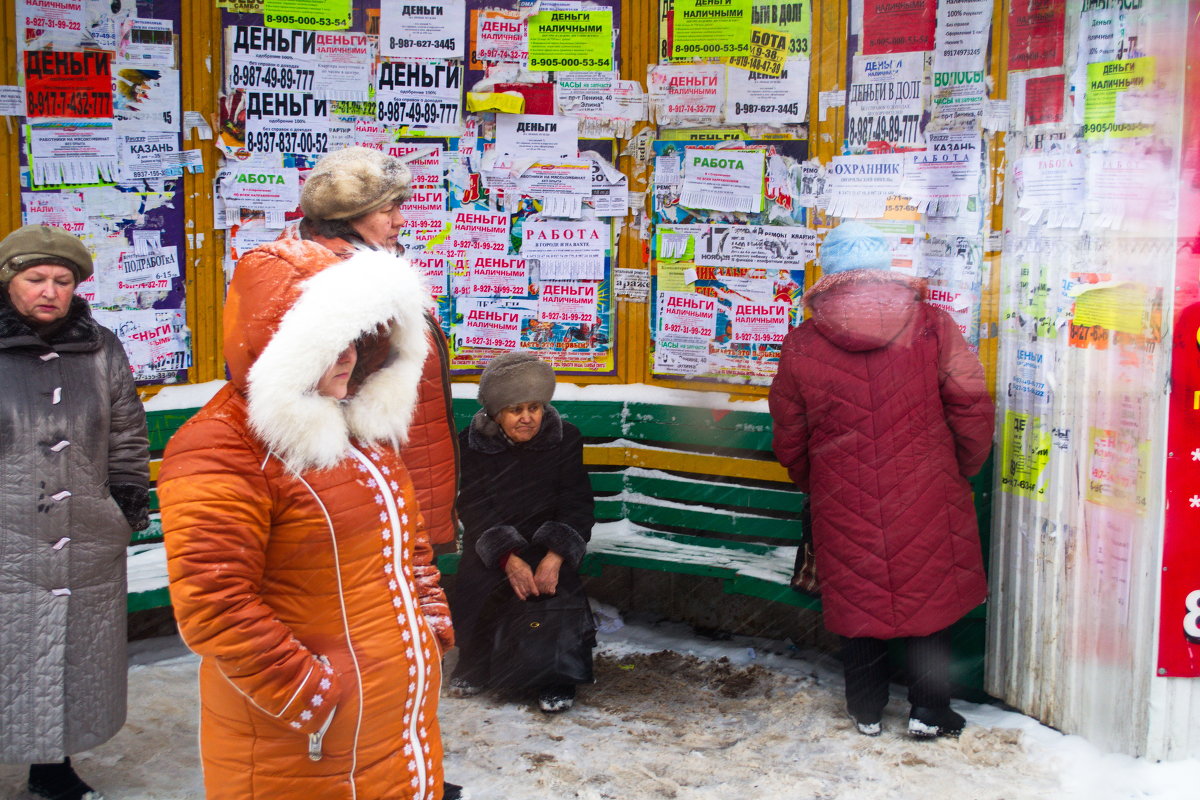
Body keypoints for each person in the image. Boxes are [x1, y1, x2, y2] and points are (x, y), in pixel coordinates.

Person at [159, 245, 455, 799]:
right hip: (302, 740)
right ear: (278, 349)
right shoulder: (221, 446)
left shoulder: (357, 428)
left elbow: (409, 549)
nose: (346, 357)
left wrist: (430, 632)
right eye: (324, 343)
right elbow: (214, 602)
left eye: (355, 339)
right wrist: (315, 698)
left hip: (392, 718)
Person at [768, 221, 994, 740]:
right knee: (929, 599)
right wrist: (963, 465)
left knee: (858, 598)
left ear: (829, 273)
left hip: (842, 491)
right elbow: (970, 404)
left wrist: (814, 478)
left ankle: (866, 709)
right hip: (927, 487)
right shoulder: (933, 325)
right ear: (886, 266)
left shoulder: (803, 341)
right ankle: (929, 711)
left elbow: (790, 431)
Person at [0, 224, 151, 800]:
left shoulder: (101, 347)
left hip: (82, 533)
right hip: (7, 530)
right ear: (9, 281)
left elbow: (126, 432)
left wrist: (124, 502)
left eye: (63, 280)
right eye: (35, 278)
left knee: (63, 652)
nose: (50, 291)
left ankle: (51, 768)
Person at [294, 145, 459, 556]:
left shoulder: (368, 271)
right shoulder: (341, 283)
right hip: (373, 494)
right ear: (345, 218)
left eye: (398, 206)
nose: (400, 221)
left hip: (400, 478)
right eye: (387, 210)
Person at [449, 351, 595, 713]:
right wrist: (506, 556)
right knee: (479, 581)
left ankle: (557, 673)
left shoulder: (564, 439)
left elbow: (576, 500)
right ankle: (476, 662)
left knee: (555, 589)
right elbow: (474, 505)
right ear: (497, 414)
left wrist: (556, 554)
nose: (527, 418)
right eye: (516, 410)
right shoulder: (474, 444)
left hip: (548, 539)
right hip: (498, 539)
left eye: (534, 407)